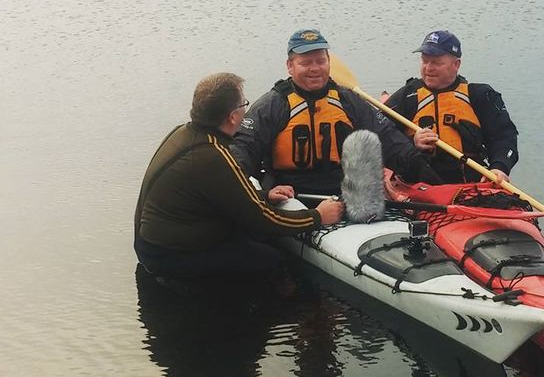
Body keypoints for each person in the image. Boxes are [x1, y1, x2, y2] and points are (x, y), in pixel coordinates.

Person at [134, 72, 344, 278]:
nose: (246, 109)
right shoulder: (214, 156)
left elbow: (226, 196)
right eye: (244, 104)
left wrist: (266, 196)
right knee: (270, 259)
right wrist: (317, 217)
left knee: (251, 238)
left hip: (150, 244)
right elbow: (263, 220)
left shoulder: (183, 133)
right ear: (233, 117)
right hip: (169, 257)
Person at [231, 29, 442, 196]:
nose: (315, 68)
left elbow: (389, 140)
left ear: (329, 63)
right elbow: (243, 148)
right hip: (291, 192)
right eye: (305, 63)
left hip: (341, 190)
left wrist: (430, 179)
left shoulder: (348, 100)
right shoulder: (273, 104)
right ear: (290, 66)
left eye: (321, 61)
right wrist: (262, 194)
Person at [384, 30, 519, 184]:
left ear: (456, 64)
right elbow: (379, 138)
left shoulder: (479, 96)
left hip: (468, 181)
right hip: (417, 181)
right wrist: (410, 143)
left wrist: (500, 167)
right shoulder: (407, 96)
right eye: (424, 61)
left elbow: (504, 137)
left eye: (436, 62)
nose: (428, 68)